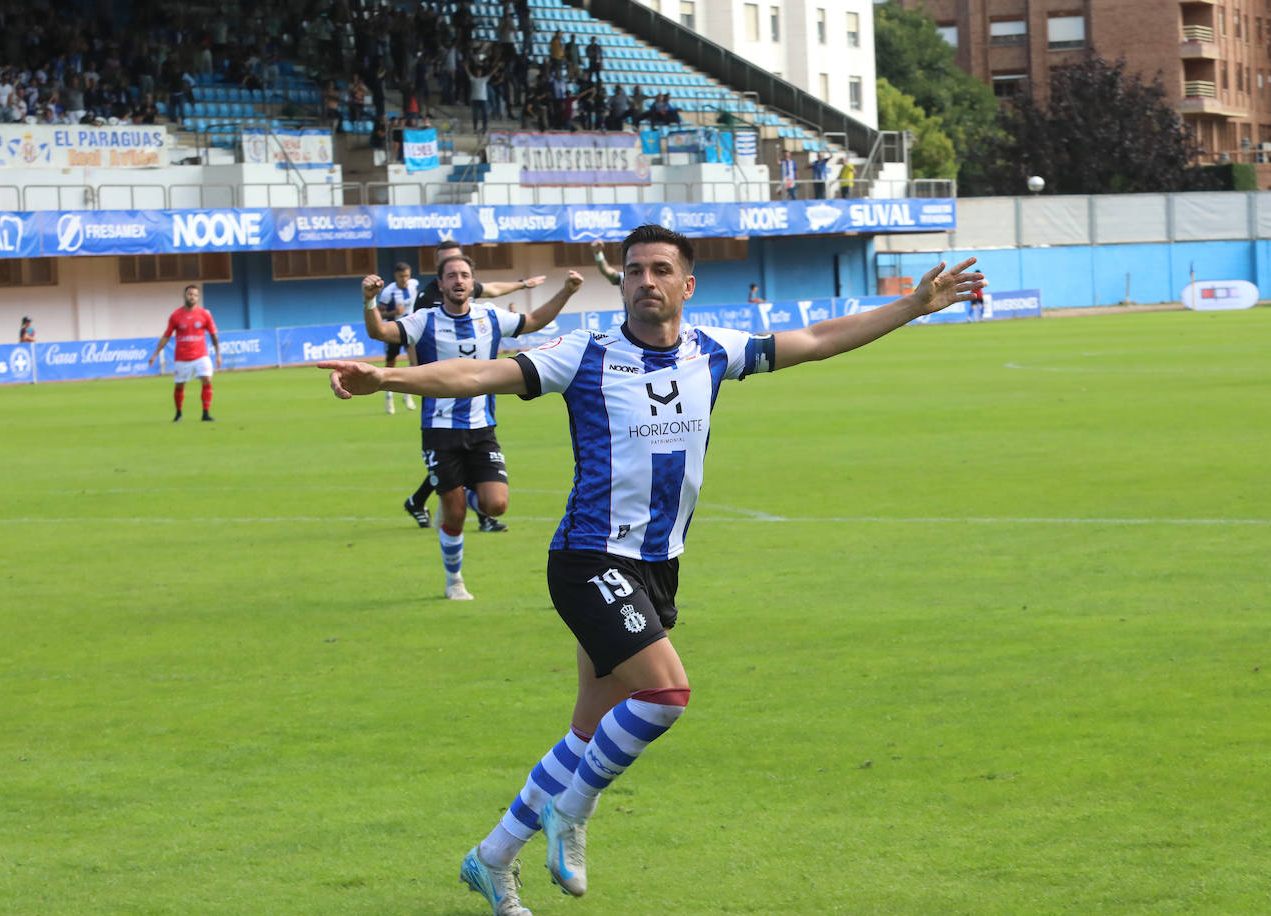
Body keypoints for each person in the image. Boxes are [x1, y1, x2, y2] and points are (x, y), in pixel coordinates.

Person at [318, 224, 984, 916]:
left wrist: (912, 305)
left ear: (686, 285)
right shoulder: (587, 352)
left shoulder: (713, 350)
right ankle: (573, 813)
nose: (645, 281)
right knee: (665, 696)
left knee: (587, 731)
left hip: (658, 567)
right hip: (588, 557)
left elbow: (816, 340)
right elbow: (482, 372)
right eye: (634, 270)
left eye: (661, 270)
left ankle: (491, 859)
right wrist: (388, 375)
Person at [359, 257, 584, 600]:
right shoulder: (425, 320)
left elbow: (535, 320)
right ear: (441, 284)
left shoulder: (489, 316)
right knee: (456, 512)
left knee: (496, 505)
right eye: (452, 276)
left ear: (472, 282)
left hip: (482, 428)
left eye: (464, 275)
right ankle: (454, 580)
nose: (459, 281)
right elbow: (380, 332)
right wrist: (369, 301)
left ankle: (456, 497)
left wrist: (566, 291)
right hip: (439, 429)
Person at [402, 238, 547, 531]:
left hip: (475, 399)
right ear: (439, 272)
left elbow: (491, 289)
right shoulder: (425, 299)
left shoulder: (467, 289)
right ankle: (465, 512)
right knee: (452, 474)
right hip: (442, 392)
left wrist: (522, 284)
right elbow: (411, 335)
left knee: (471, 481)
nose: (458, 275)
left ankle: (428, 503)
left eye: (462, 268)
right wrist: (417, 374)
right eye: (450, 266)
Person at [147, 284, 222, 422]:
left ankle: (205, 413)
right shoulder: (176, 315)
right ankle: (178, 414)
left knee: (207, 380)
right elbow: (166, 336)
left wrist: (218, 354)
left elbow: (213, 335)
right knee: (180, 385)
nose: (192, 297)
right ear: (184, 296)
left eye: (195, 295)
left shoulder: (205, 314)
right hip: (182, 357)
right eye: (190, 294)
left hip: (201, 356)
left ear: (198, 297)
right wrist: (155, 354)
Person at [377, 262, 420, 414]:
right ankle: (389, 399)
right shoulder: (388, 292)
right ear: (396, 276)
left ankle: (407, 395)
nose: (405, 279)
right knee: (390, 365)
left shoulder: (414, 285)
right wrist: (394, 312)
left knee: (415, 364)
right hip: (394, 331)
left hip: (411, 330)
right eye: (402, 276)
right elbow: (379, 314)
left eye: (407, 275)